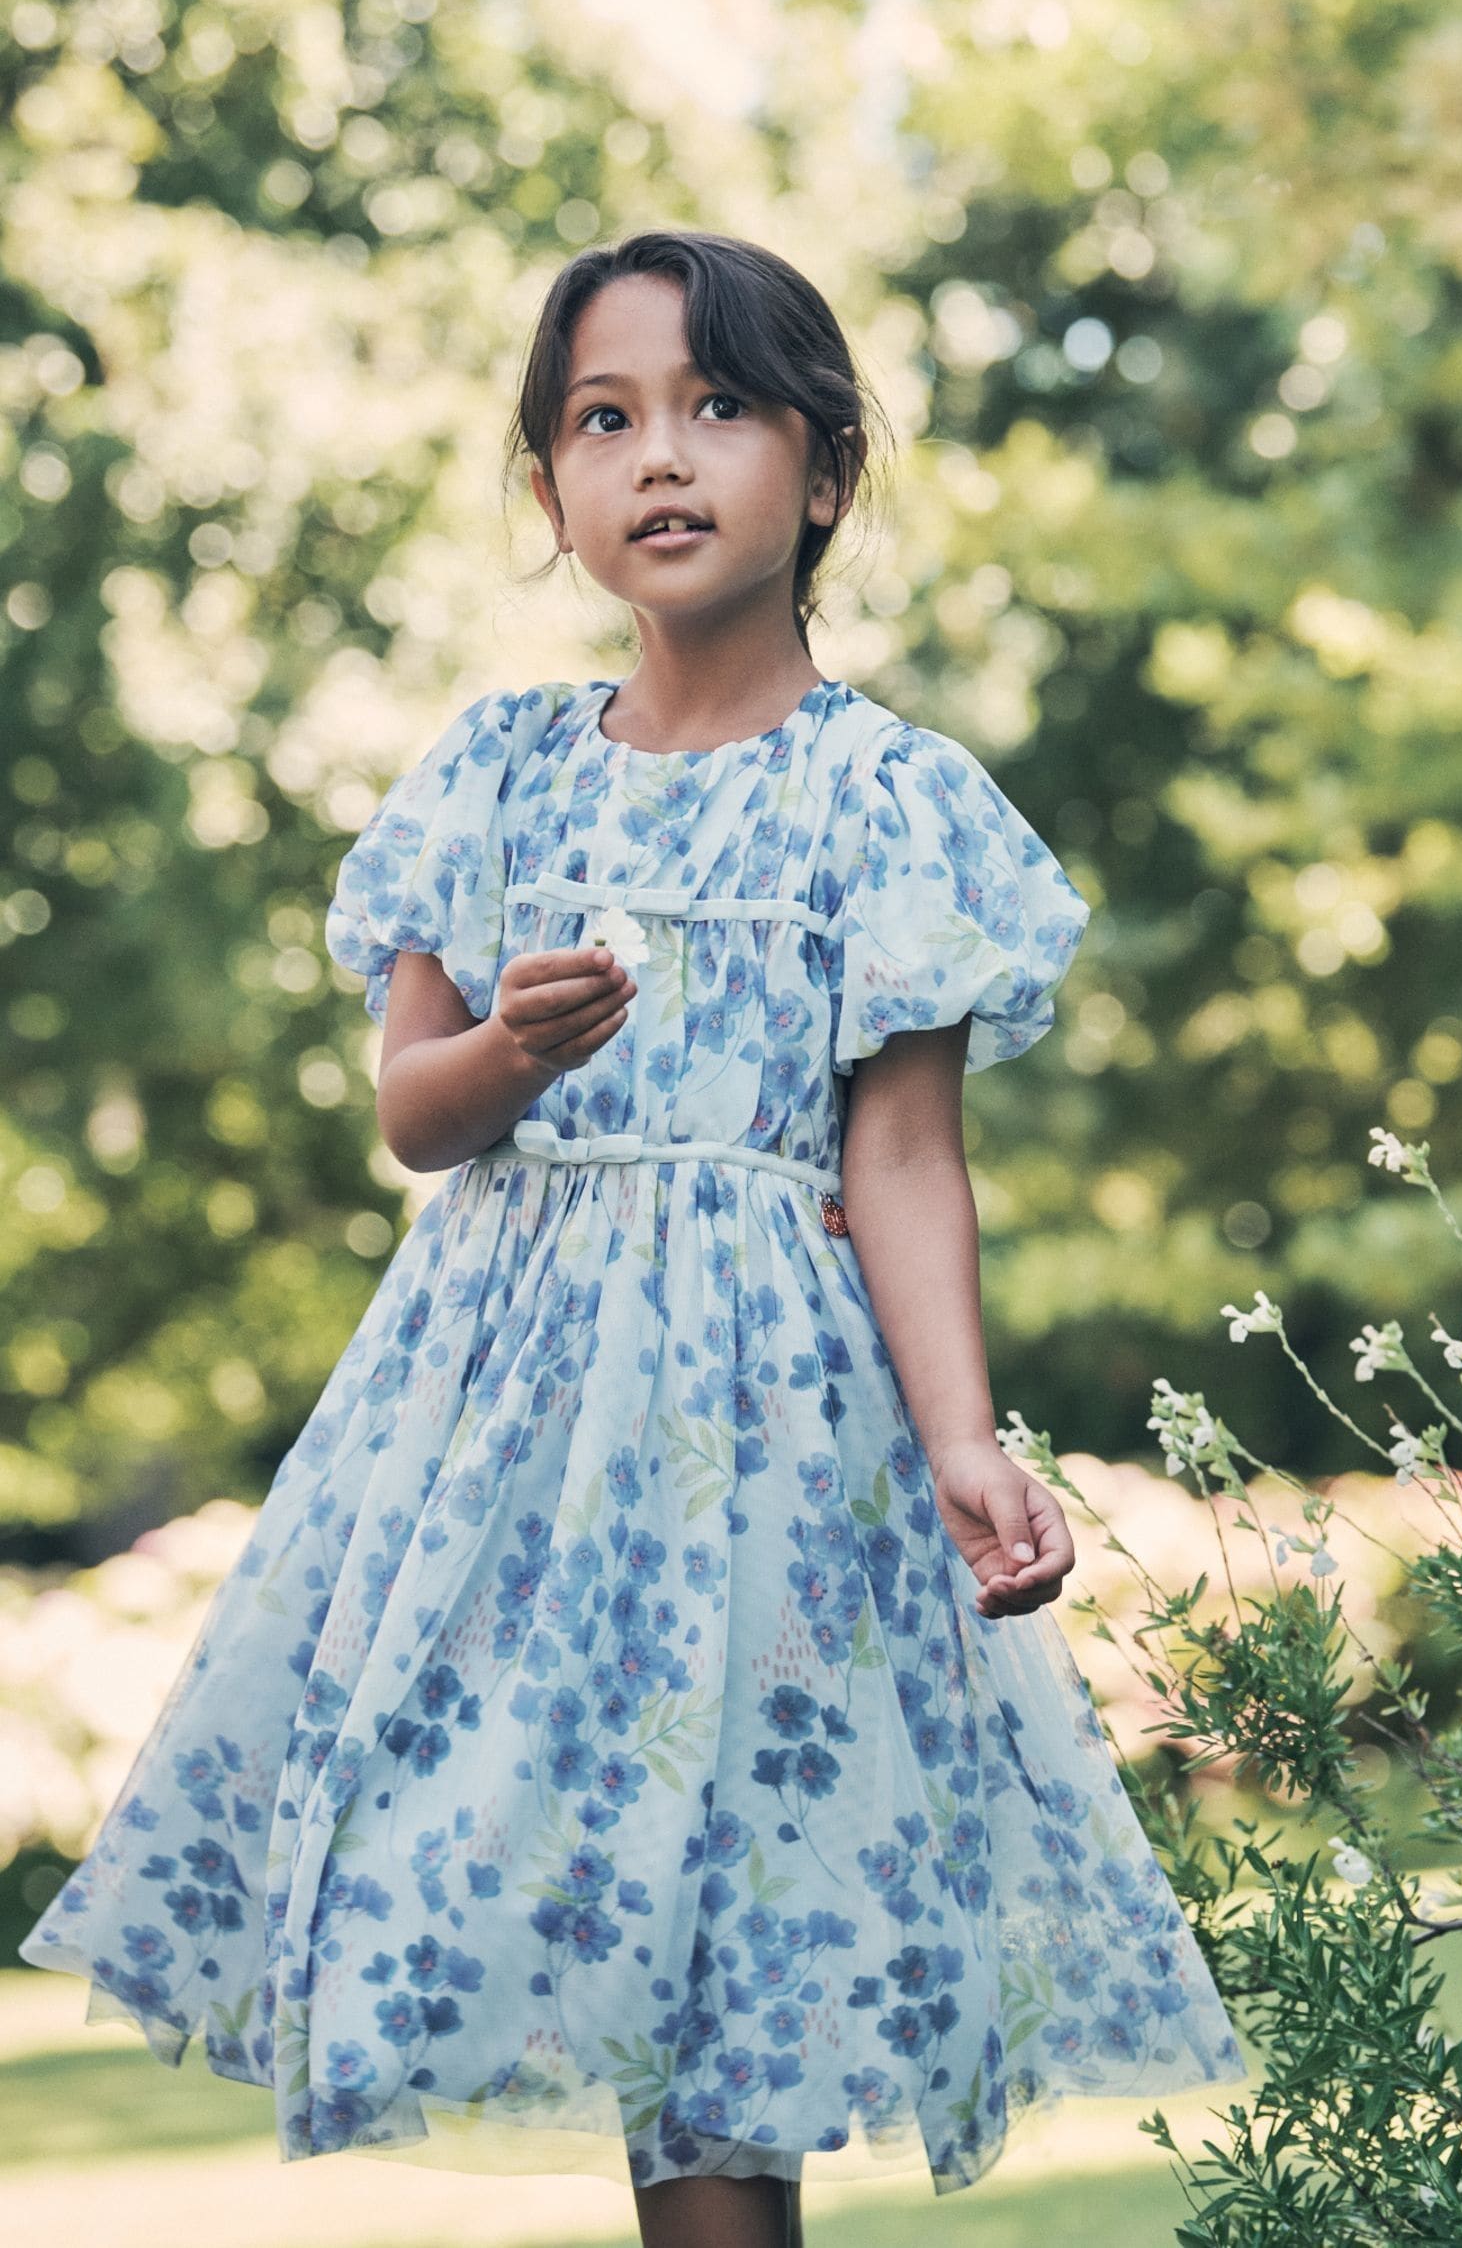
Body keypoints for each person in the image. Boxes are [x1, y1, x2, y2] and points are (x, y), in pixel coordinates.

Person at [20, 227, 1242, 2245]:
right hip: (505, 1442)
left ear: (826, 473)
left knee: (721, 1960)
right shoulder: (495, 774)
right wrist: (507, 1044)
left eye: (719, 408)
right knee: (519, 1867)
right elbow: (413, 1115)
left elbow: (910, 1161)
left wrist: (961, 1442)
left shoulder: (888, 802)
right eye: (605, 420)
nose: (660, 458)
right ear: (549, 493)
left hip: (766, 1444)